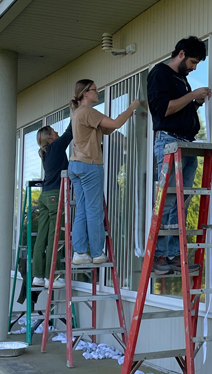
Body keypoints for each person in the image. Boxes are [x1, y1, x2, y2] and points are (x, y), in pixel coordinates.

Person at [147, 36, 211, 275]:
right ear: (181, 54)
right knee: (166, 200)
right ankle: (158, 255)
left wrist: (195, 103)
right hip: (169, 141)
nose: (194, 67)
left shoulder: (182, 80)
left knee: (181, 203)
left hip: (185, 143)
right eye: (193, 62)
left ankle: (172, 253)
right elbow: (164, 109)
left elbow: (180, 110)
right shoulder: (160, 74)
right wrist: (192, 95)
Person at [68, 79, 139, 265]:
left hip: (75, 165)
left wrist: (126, 117)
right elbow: (115, 124)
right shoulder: (89, 112)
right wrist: (132, 107)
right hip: (90, 164)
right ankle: (98, 253)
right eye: (94, 90)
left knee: (82, 210)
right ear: (85, 93)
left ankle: (80, 252)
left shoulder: (77, 113)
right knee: (94, 210)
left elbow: (106, 130)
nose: (97, 92)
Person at [31, 123, 73, 289]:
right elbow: (69, 133)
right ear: (50, 137)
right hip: (55, 196)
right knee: (54, 237)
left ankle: (38, 276)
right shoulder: (55, 147)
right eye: (54, 131)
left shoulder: (46, 152)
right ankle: (53, 277)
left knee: (42, 237)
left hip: (45, 196)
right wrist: (76, 111)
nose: (57, 133)